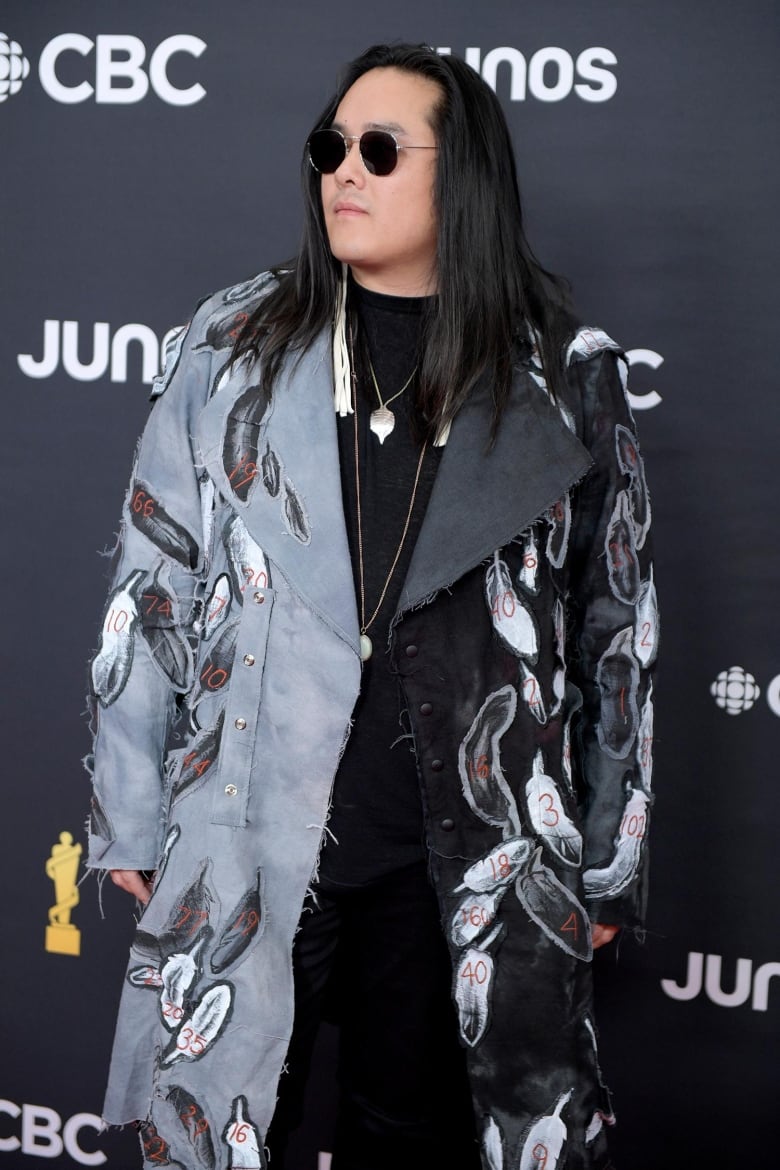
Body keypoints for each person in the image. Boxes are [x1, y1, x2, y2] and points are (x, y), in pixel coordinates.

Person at [86, 42, 656, 1170]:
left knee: (415, 1138)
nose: (344, 170)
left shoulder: (563, 368)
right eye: (330, 147)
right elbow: (153, 579)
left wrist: (607, 862)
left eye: (382, 150)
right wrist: (131, 806)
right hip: (245, 831)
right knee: (207, 1139)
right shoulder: (234, 341)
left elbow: (616, 630)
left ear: (467, 179)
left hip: (465, 859)